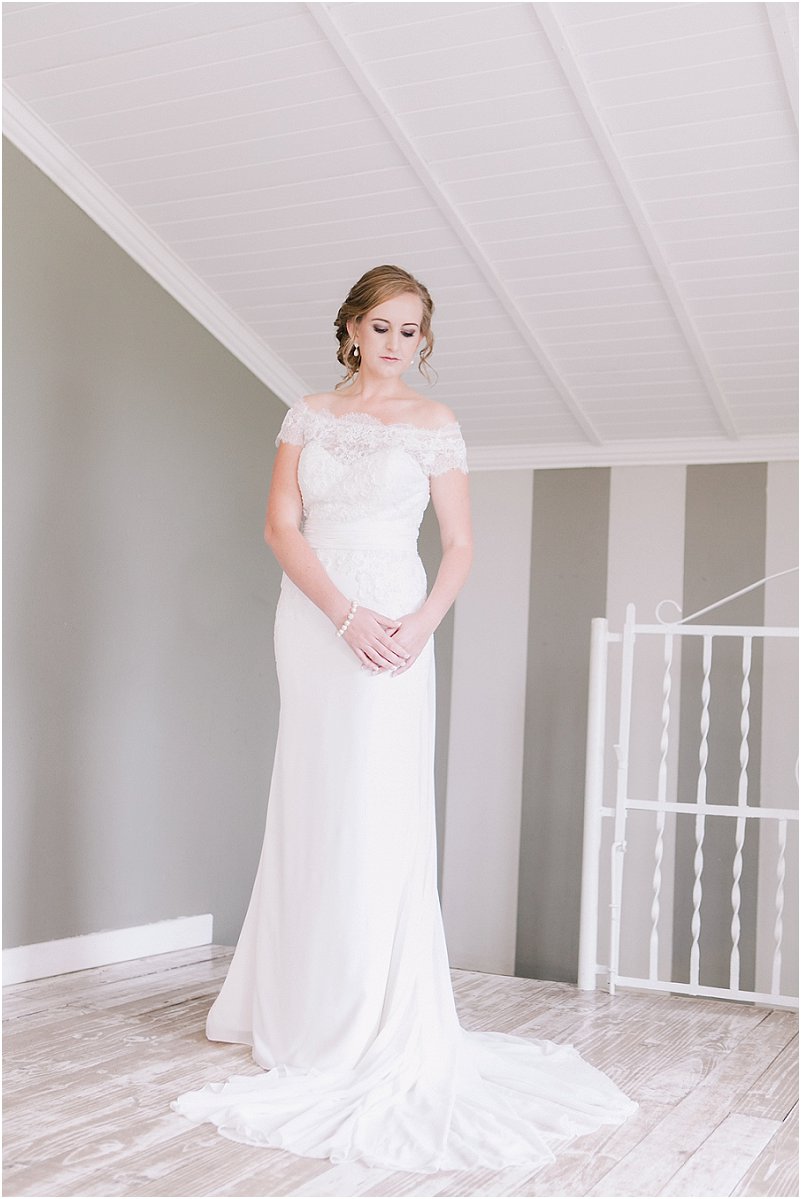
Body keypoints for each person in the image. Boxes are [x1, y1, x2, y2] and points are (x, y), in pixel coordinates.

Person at [171, 265, 638, 1173]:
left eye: (410, 330)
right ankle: (294, 1004)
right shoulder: (307, 413)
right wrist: (341, 613)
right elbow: (280, 527)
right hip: (315, 617)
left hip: (397, 616)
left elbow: (458, 544)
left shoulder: (434, 423)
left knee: (374, 800)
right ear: (350, 328)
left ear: (423, 339)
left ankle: (368, 1008)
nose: (394, 343)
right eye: (379, 326)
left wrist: (416, 625)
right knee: (312, 793)